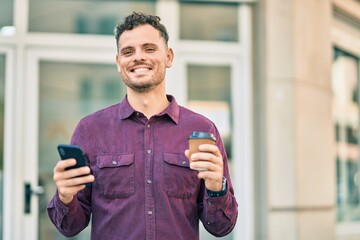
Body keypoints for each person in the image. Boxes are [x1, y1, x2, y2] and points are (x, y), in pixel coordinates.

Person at [47, 12, 238, 240]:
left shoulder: (202, 129)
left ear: (168, 57)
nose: (138, 57)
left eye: (149, 49)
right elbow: (70, 227)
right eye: (128, 51)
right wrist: (65, 197)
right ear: (119, 63)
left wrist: (217, 186)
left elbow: (221, 227)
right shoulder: (90, 130)